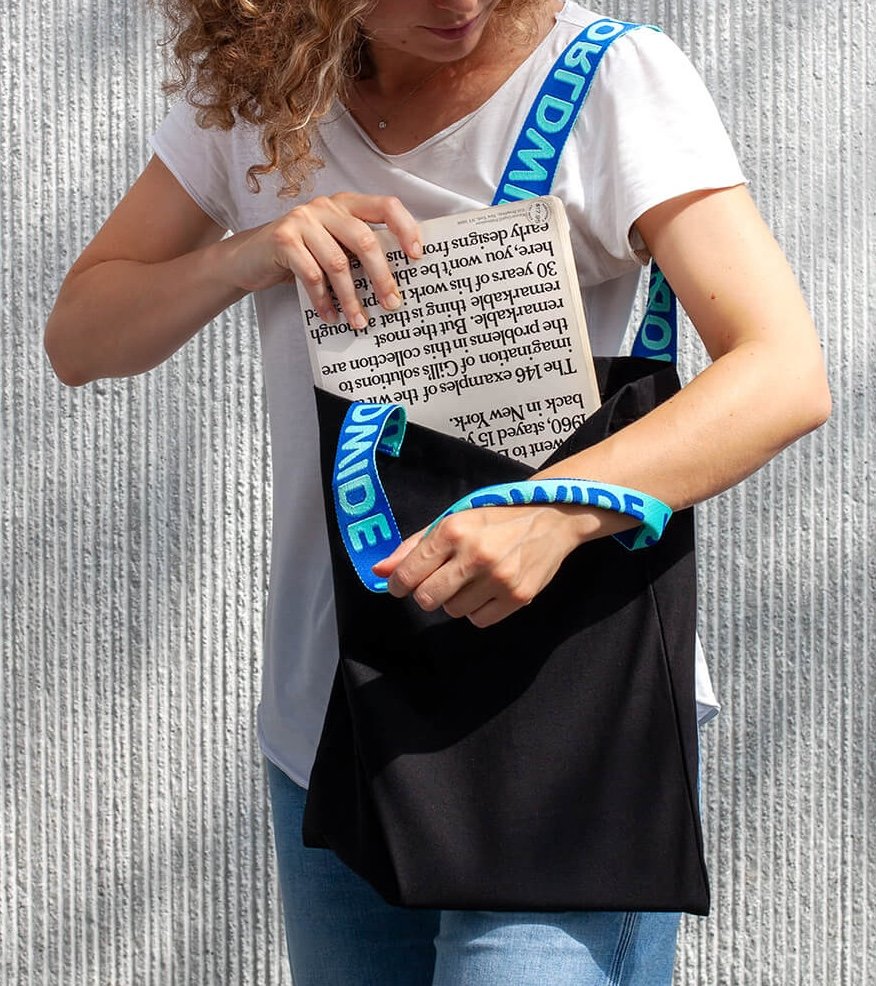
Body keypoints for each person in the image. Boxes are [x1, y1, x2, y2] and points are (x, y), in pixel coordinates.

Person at [44, 1, 830, 983]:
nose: (458, 4)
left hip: (566, 711)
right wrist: (248, 254)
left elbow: (784, 372)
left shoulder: (606, 79)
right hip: (335, 717)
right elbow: (80, 337)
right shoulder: (261, 101)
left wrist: (556, 508)